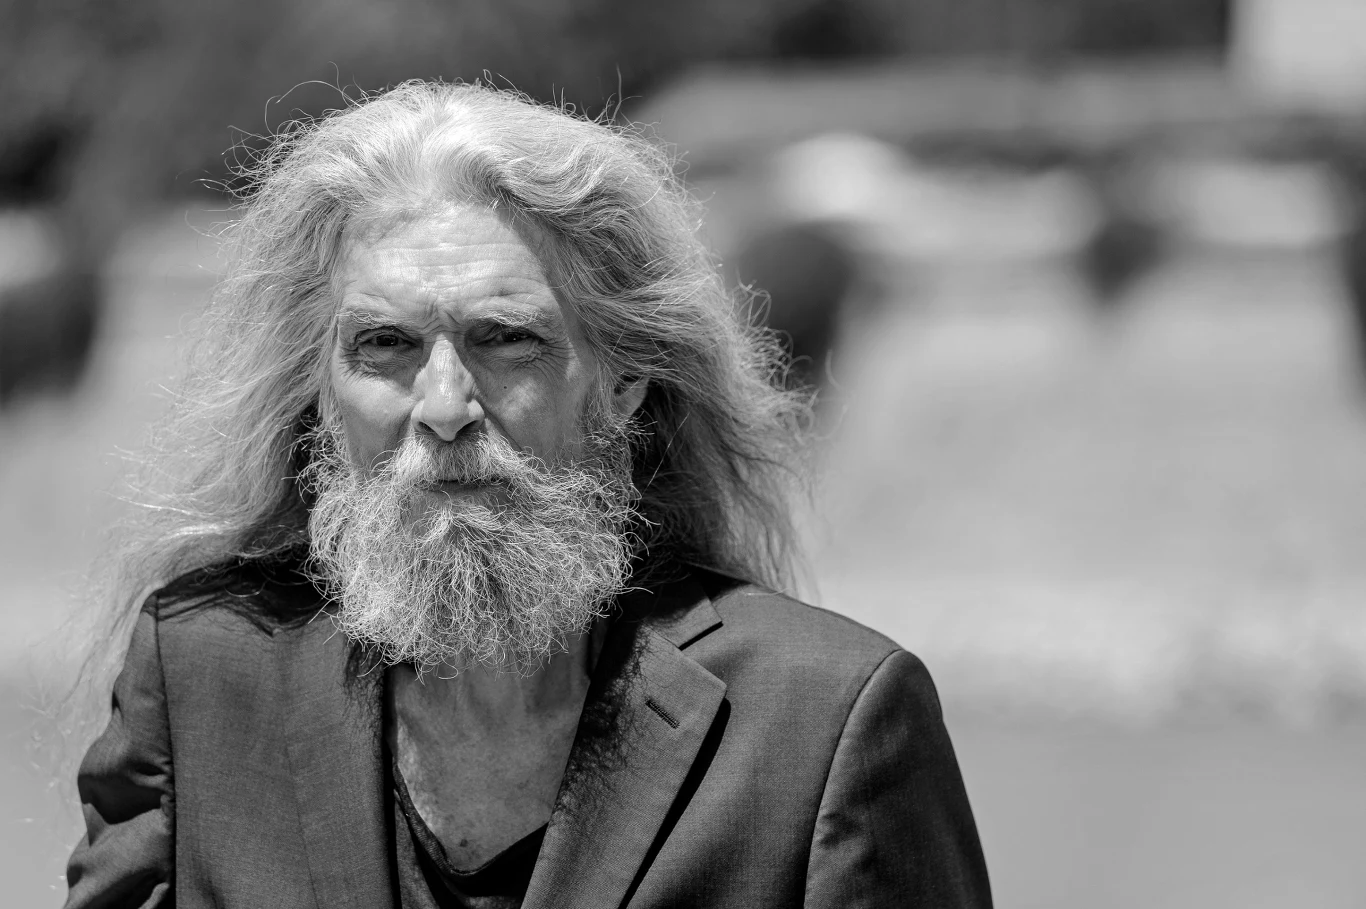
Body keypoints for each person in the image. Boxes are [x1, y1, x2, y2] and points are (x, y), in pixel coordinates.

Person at [64, 82, 991, 909]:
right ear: (320, 390)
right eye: (384, 344)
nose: (443, 407)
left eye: (506, 339)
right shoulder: (200, 677)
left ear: (624, 381)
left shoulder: (823, 726)